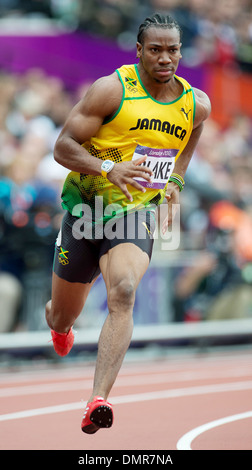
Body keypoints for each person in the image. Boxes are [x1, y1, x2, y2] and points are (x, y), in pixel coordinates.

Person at [45, 13, 211, 434]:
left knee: (123, 290)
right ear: (139, 51)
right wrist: (106, 168)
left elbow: (192, 131)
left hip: (134, 212)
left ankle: (97, 399)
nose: (165, 58)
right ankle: (61, 327)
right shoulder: (111, 90)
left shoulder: (196, 103)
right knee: (61, 314)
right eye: (155, 49)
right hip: (87, 208)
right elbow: (62, 147)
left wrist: (174, 177)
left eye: (172, 50)